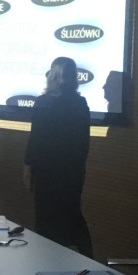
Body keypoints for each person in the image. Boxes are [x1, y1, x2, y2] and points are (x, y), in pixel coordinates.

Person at [23, 56, 93, 259]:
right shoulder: (80, 103)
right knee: (72, 214)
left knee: (46, 217)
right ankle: (88, 259)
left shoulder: (43, 103)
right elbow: (84, 144)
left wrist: (28, 166)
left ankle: (46, 260)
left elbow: (36, 138)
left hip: (47, 171)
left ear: (51, 75)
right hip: (72, 172)